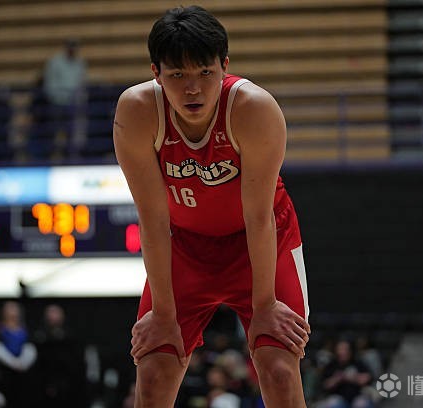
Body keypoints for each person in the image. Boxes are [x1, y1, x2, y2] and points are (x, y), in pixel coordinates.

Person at [113, 6, 310, 407]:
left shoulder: (253, 108)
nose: (193, 89)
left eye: (205, 73)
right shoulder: (137, 111)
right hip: (184, 246)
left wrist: (265, 306)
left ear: (224, 66)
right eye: (177, 75)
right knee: (152, 375)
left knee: (278, 371)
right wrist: (164, 315)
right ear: (156, 73)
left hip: (259, 240)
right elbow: (153, 220)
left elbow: (258, 217)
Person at [43, 39, 87, 158]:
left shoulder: (80, 63)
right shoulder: (55, 62)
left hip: (72, 102)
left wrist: (78, 98)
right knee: (53, 129)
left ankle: (69, 154)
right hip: (57, 101)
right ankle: (52, 153)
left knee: (71, 130)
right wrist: (57, 97)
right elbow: (50, 83)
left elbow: (81, 83)